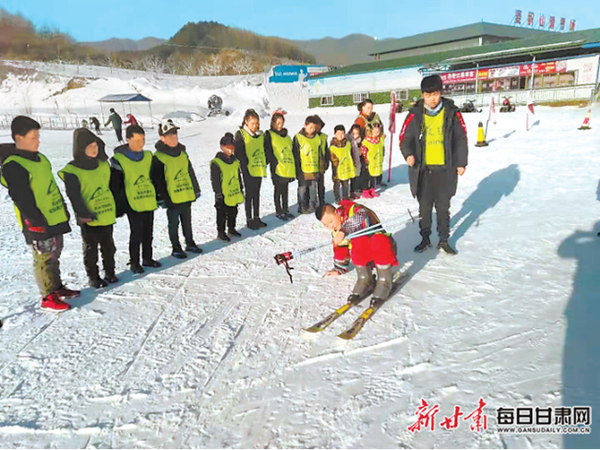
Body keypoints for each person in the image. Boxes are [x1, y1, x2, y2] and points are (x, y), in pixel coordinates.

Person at [0, 116, 79, 311]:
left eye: (38, 136)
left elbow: (50, 185)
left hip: (54, 215)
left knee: (54, 253)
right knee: (43, 257)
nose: (38, 141)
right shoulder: (14, 165)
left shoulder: (40, 158)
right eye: (33, 137)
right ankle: (47, 296)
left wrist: (62, 206)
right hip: (36, 221)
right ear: (19, 138)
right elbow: (22, 198)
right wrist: (34, 222)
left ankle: (57, 287)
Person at [399, 74, 468, 255]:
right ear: (423, 95)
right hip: (423, 170)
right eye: (428, 95)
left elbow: (461, 137)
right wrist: (408, 155)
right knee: (425, 207)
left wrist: (461, 162)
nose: (432, 98)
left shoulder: (452, 112)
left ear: (440, 93)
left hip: (445, 169)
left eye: (435, 94)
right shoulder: (414, 114)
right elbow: (404, 138)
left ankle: (444, 239)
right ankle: (425, 237)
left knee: (443, 206)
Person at [58, 128, 118, 289]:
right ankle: (93, 276)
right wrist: (83, 214)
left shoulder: (103, 165)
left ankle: (110, 272)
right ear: (80, 148)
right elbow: (74, 196)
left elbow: (109, 186)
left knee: (109, 246)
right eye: (90, 146)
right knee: (91, 249)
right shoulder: (72, 170)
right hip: (88, 217)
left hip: (105, 212)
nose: (94, 149)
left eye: (95, 145)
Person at [316, 201, 398, 305]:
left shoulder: (353, 210)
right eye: (326, 225)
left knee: (377, 240)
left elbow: (362, 215)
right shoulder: (336, 231)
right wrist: (339, 269)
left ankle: (385, 281)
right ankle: (365, 279)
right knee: (357, 242)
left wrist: (344, 230)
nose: (331, 226)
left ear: (338, 212)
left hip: (385, 249)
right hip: (366, 258)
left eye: (331, 221)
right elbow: (341, 250)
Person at [110, 125, 161, 273]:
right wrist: (120, 205)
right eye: (137, 140)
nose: (141, 143)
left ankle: (147, 258)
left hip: (147, 199)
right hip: (132, 202)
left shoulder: (148, 156)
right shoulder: (119, 159)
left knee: (148, 233)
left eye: (143, 140)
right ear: (128, 139)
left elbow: (154, 177)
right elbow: (116, 184)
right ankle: (134, 261)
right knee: (136, 233)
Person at [151, 121, 202, 259]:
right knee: (173, 223)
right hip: (171, 197)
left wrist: (195, 188)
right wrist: (163, 198)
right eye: (170, 135)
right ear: (162, 138)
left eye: (175, 134)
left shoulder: (183, 153)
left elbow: (189, 171)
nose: (174, 137)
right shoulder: (158, 157)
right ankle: (176, 247)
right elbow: (157, 180)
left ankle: (190, 242)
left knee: (187, 220)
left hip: (185, 192)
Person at [234, 109, 267, 230]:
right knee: (249, 194)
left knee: (257, 194)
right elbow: (239, 152)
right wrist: (244, 164)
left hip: (258, 168)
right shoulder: (241, 134)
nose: (255, 126)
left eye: (257, 123)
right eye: (253, 123)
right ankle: (249, 219)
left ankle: (257, 217)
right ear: (246, 122)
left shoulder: (259, 135)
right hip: (248, 169)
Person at [211, 133, 244, 241]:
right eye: (228, 147)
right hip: (223, 193)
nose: (230, 150)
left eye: (232, 147)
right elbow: (215, 179)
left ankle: (231, 228)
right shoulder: (217, 162)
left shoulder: (235, 161)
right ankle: (221, 232)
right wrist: (218, 193)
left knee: (233, 211)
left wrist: (241, 188)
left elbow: (238, 175)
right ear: (222, 147)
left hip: (233, 191)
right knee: (221, 212)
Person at [264, 112, 295, 220]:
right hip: (277, 167)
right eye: (277, 123)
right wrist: (273, 161)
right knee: (278, 189)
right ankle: (279, 210)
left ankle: (285, 209)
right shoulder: (269, 134)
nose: (280, 125)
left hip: (286, 167)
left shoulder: (286, 136)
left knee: (285, 189)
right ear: (273, 123)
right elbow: (267, 150)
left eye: (281, 123)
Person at [292, 116, 322, 214]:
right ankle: (302, 206)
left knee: (313, 188)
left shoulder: (317, 138)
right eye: (310, 127)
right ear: (305, 126)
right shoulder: (298, 137)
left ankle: (313, 205)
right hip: (303, 170)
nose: (312, 130)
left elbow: (319, 153)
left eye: (314, 128)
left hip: (313, 168)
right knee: (303, 188)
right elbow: (295, 154)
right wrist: (297, 169)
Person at [329, 125, 356, 203]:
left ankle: (345, 197)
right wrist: (337, 163)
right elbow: (332, 158)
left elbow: (351, 154)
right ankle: (337, 198)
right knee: (337, 185)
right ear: (335, 134)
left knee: (345, 184)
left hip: (347, 169)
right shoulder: (332, 146)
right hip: (337, 170)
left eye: (342, 133)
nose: (341, 136)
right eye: (339, 134)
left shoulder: (347, 144)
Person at [360, 123, 385, 199]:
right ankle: (366, 191)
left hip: (377, 161)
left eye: (378, 132)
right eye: (375, 132)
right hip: (369, 162)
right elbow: (363, 151)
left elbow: (382, 148)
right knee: (368, 177)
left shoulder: (380, 139)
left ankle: (372, 189)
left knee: (374, 177)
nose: (376, 134)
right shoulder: (367, 141)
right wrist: (365, 160)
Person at [313, 115, 329, 206]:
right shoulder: (309, 136)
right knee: (311, 186)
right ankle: (312, 202)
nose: (318, 128)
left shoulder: (323, 136)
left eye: (319, 126)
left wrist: (326, 162)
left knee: (320, 185)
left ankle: (321, 200)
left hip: (321, 164)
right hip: (311, 164)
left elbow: (326, 150)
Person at [347, 124, 364, 199]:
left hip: (359, 161)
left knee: (358, 176)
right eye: (353, 133)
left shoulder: (361, 140)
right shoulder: (349, 141)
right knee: (352, 177)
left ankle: (358, 189)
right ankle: (352, 191)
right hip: (352, 161)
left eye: (357, 133)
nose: (355, 135)